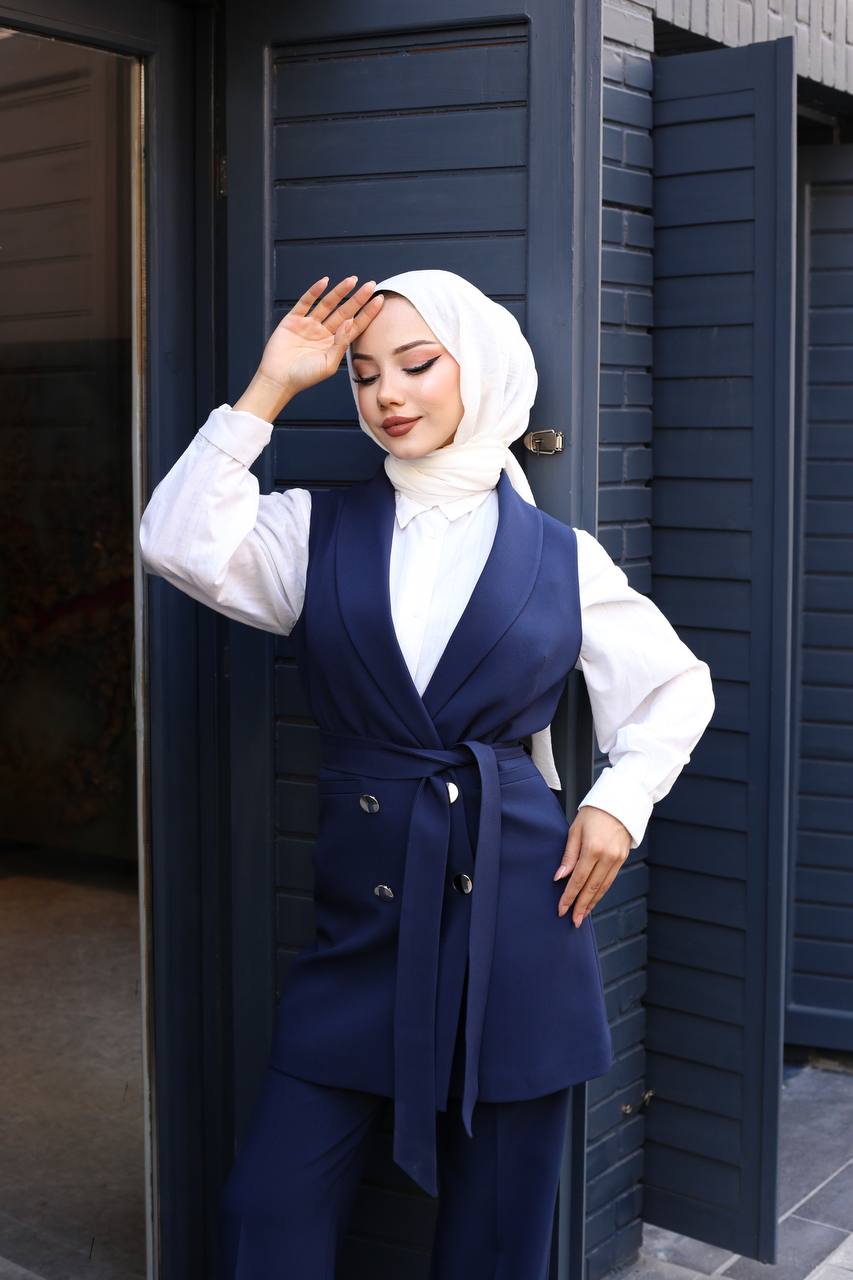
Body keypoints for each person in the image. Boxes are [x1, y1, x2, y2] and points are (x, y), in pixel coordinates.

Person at [138, 270, 715, 1279]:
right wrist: (271, 387)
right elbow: (176, 541)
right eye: (363, 376)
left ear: (478, 369)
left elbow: (677, 686)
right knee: (268, 1206)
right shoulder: (309, 529)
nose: (387, 395)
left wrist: (619, 802)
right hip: (362, 920)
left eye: (415, 365)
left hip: (521, 910)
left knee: (496, 1236)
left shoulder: (562, 556)